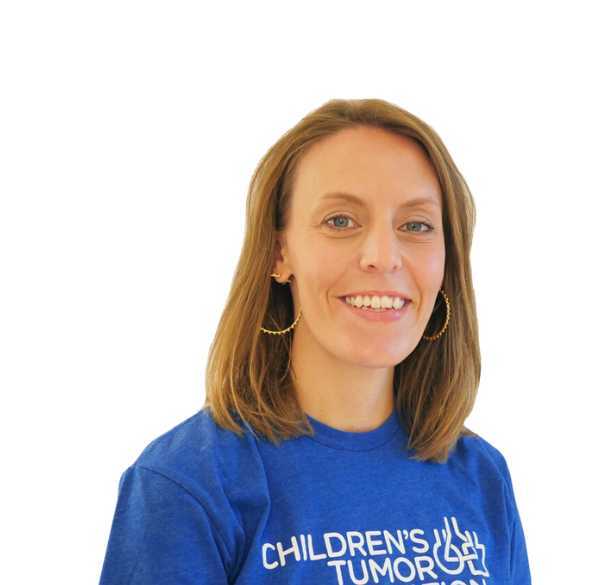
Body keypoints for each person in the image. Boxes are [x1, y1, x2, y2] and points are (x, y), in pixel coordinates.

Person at [98, 98, 532, 584]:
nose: (383, 256)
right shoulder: (186, 486)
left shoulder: (482, 478)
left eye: (416, 226)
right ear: (280, 252)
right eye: (341, 221)